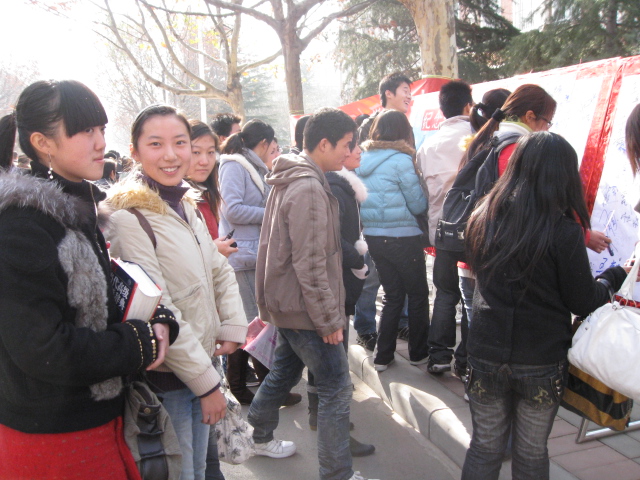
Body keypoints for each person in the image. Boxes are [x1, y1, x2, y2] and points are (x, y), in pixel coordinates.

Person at [0, 80, 178, 479]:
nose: (100, 142)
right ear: (42, 142)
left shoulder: (77, 208)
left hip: (101, 419)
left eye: (101, 128)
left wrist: (156, 317)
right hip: (53, 434)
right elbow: (41, 348)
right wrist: (137, 342)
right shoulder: (22, 226)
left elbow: (96, 300)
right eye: (84, 131)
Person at [461, 132, 627, 480]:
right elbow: (583, 300)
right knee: (532, 452)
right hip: (540, 358)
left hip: (485, 349)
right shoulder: (563, 231)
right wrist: (614, 276)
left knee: (484, 447)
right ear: (563, 176)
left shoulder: (482, 216)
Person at [105, 104, 248, 480]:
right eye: (156, 144)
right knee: (184, 473)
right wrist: (207, 384)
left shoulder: (186, 203)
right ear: (135, 152)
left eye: (180, 142)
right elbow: (158, 306)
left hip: (202, 364)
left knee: (199, 469)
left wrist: (233, 323)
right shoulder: (129, 217)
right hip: (169, 379)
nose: (171, 155)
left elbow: (218, 270)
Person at [248, 108, 367, 480]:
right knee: (335, 388)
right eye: (346, 144)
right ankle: (337, 473)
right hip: (305, 307)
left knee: (284, 371)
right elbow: (311, 262)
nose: (350, 151)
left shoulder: (295, 175)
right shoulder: (309, 186)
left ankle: (257, 434)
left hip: (289, 302)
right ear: (324, 144)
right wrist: (329, 319)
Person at [218, 119, 299, 406]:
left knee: (255, 322)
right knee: (252, 324)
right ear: (264, 143)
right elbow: (233, 210)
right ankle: (252, 387)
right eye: (272, 146)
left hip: (254, 252)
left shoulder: (249, 165)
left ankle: (262, 387)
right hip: (243, 254)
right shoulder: (234, 165)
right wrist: (272, 211)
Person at [356, 109, 429, 371]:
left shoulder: (361, 159)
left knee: (392, 295)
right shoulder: (402, 160)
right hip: (404, 237)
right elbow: (417, 204)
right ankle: (419, 353)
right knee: (418, 295)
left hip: (374, 237)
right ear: (403, 132)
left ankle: (382, 356)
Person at [319, 132, 375, 457]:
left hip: (333, 285)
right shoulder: (333, 186)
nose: (356, 152)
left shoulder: (338, 184)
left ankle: (264, 423)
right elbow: (333, 239)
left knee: (325, 367)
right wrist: (357, 260)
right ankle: (337, 450)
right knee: (335, 373)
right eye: (351, 146)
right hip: (333, 285)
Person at [417, 79, 474, 376]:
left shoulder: (427, 145)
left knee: (445, 293)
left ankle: (438, 356)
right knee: (472, 298)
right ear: (468, 106)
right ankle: (464, 362)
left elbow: (424, 191)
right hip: (474, 230)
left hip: (441, 230)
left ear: (442, 110)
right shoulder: (479, 136)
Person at [354, 72, 413, 349]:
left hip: (400, 220)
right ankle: (365, 327)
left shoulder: (406, 126)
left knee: (404, 277)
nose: (409, 95)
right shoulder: (370, 124)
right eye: (405, 89)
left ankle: (402, 323)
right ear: (388, 93)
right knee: (371, 278)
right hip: (372, 221)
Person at [187, 120, 238, 258]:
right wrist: (213, 252)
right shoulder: (172, 203)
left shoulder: (207, 195)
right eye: (196, 152)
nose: (204, 161)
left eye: (210, 152)